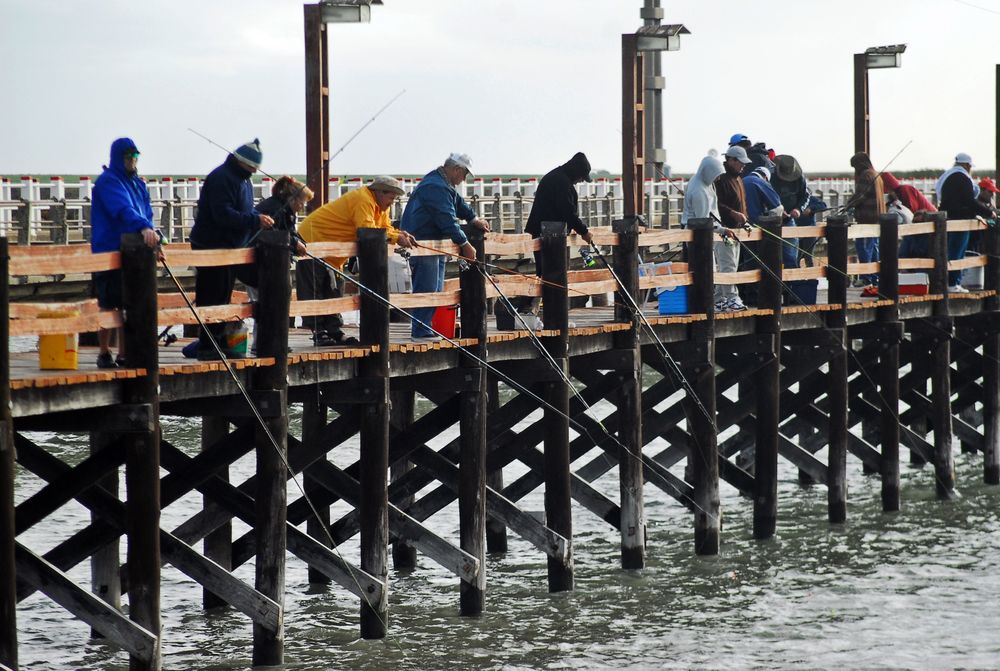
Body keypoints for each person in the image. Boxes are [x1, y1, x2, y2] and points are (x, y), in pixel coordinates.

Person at [296, 175, 416, 346]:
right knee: (314, 288)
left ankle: (334, 331)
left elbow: (384, 228)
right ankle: (319, 332)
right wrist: (396, 239)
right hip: (312, 239)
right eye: (391, 197)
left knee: (334, 289)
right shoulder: (363, 199)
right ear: (380, 192)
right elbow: (367, 229)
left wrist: (400, 234)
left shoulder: (381, 206)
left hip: (333, 251)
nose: (393, 201)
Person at [188, 139, 274, 360]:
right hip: (212, 247)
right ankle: (208, 346)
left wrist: (252, 223)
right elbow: (222, 214)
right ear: (241, 162)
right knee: (211, 296)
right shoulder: (222, 177)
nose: (253, 172)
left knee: (223, 296)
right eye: (251, 168)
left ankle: (217, 342)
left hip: (232, 249)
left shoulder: (243, 180)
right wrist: (254, 220)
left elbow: (242, 211)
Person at [400, 153, 490, 340]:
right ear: (457, 169)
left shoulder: (440, 182)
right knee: (427, 288)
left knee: (435, 287)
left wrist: (473, 219)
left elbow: (458, 203)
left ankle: (425, 329)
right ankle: (420, 331)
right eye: (465, 175)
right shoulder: (435, 186)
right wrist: (465, 244)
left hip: (434, 244)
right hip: (424, 244)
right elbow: (446, 219)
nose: (464, 179)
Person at [89, 138, 161, 368]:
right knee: (108, 304)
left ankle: (123, 353)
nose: (132, 160)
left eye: (135, 156)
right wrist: (142, 226)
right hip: (109, 250)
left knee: (128, 304)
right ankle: (103, 352)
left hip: (134, 253)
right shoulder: (108, 182)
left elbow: (147, 214)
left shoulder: (138, 184)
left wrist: (154, 238)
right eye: (128, 156)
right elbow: (122, 209)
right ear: (118, 158)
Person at [511, 151, 595, 316]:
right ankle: (533, 311)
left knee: (548, 273)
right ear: (576, 172)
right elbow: (568, 213)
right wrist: (584, 231)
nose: (580, 182)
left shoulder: (559, 177)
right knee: (548, 274)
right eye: (581, 178)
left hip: (550, 234)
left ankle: (542, 310)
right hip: (546, 235)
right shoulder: (560, 182)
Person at [937, 153, 994, 291]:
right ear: (967, 165)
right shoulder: (962, 178)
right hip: (960, 219)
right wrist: (988, 212)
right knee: (957, 251)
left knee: (950, 251)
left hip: (949, 218)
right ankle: (952, 283)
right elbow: (970, 201)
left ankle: (949, 283)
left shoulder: (948, 176)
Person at [738, 166, 784, 306]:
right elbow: (777, 209)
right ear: (765, 177)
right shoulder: (760, 182)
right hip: (754, 229)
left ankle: (741, 296)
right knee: (754, 262)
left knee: (739, 263)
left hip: (735, 228)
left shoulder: (740, 181)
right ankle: (753, 298)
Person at [714, 146, 751, 311]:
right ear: (731, 160)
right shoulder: (720, 179)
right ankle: (731, 299)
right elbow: (715, 205)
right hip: (724, 231)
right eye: (741, 163)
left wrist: (745, 220)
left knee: (730, 265)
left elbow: (743, 206)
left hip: (737, 231)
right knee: (727, 265)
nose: (743, 166)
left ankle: (719, 298)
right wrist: (732, 213)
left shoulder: (739, 179)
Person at [846, 152, 885, 291]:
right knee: (874, 249)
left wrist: (847, 205)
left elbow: (859, 196)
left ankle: (865, 278)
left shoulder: (865, 176)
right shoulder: (876, 175)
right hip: (877, 219)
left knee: (863, 248)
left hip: (866, 219)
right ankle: (875, 278)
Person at [884, 172, 938, 259]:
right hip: (921, 220)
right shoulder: (901, 194)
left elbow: (912, 208)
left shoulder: (905, 190)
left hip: (926, 219)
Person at [256, 176, 313, 255]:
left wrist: (298, 242)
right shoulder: (274, 209)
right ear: (292, 199)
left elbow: (290, 233)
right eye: (302, 203)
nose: (303, 207)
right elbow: (273, 235)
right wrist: (295, 243)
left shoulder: (288, 212)